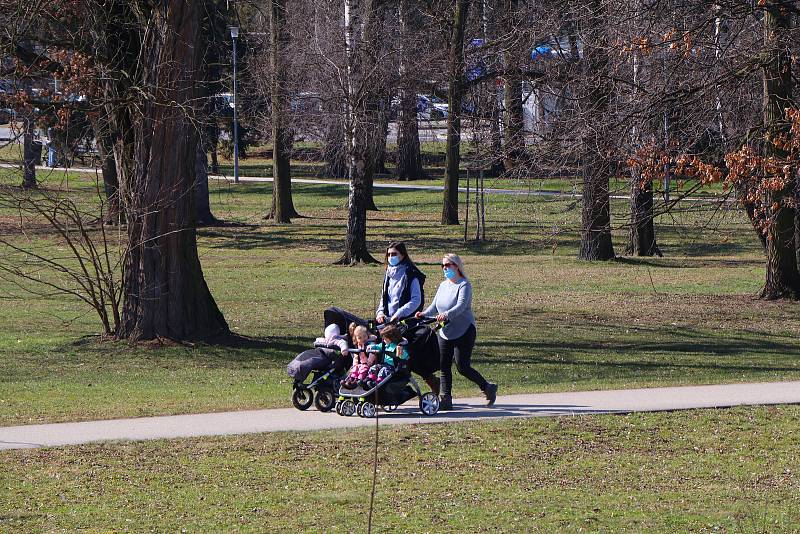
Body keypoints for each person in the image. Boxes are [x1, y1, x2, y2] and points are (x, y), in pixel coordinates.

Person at [417, 253, 497, 410]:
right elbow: (434, 306)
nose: (445, 268)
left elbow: (460, 307)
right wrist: (424, 313)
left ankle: (487, 387)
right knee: (444, 366)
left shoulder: (464, 285)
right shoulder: (443, 285)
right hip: (445, 331)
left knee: (462, 367)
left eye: (448, 265)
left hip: (464, 330)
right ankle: (445, 399)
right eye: (443, 266)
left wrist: (446, 315)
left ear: (457, 266)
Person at [376, 242, 426, 325]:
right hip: (388, 320)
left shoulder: (411, 274)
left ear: (403, 255)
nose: (391, 257)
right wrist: (380, 313)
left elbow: (416, 300)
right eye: (389, 254)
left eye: (394, 254)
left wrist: (400, 313)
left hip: (405, 321)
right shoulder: (388, 274)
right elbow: (384, 297)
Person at [341, 325, 377, 389]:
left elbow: (372, 355)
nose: (363, 339)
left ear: (367, 336)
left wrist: (369, 362)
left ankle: (357, 381)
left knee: (363, 369)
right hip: (361, 364)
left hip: (368, 364)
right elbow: (356, 357)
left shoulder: (370, 345)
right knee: (355, 369)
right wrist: (355, 365)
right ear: (356, 339)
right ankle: (350, 380)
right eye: (360, 338)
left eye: (364, 336)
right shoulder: (358, 346)